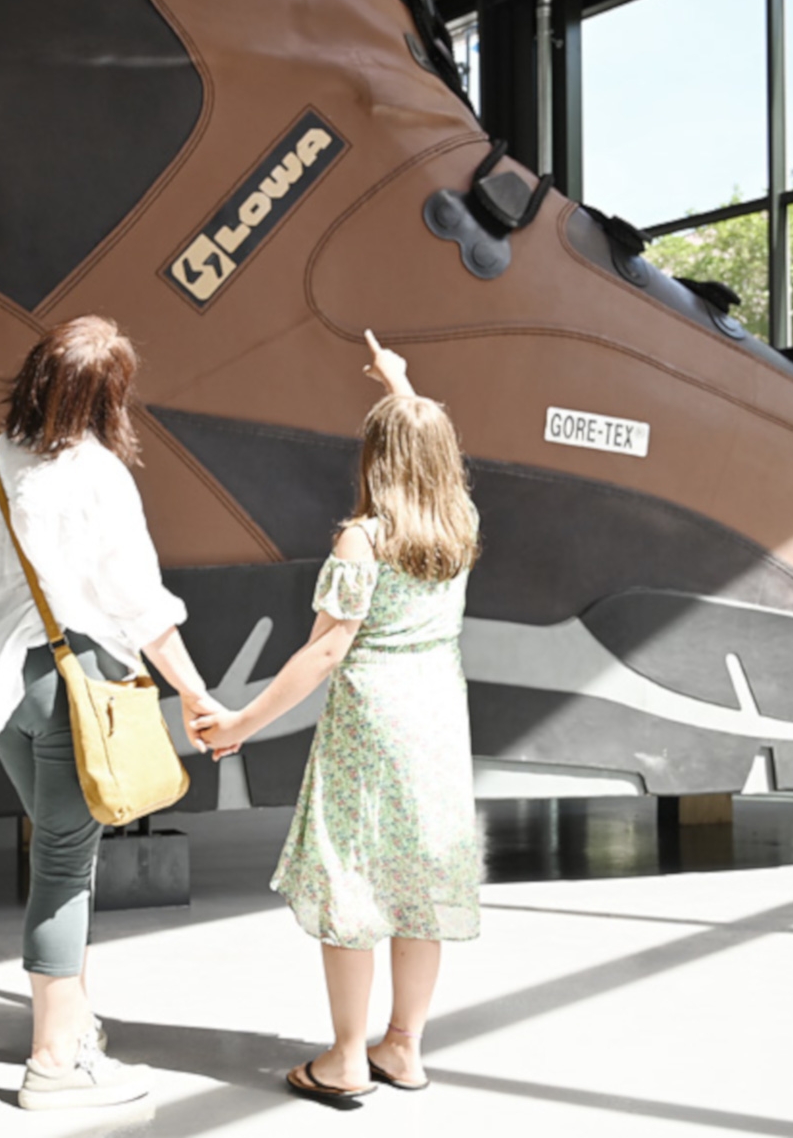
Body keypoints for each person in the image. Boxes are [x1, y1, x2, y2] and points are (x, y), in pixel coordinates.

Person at [0, 315, 225, 1112]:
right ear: (108, 397)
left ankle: (74, 1026)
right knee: (63, 866)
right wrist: (195, 693)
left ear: (34, 375)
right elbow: (141, 606)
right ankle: (54, 1061)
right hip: (70, 689)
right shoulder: (95, 474)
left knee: (63, 854)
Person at [192, 330, 482, 1106]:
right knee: (418, 880)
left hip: (372, 723)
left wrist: (241, 722)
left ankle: (348, 1057)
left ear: (374, 459)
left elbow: (324, 652)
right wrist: (399, 383)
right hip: (438, 720)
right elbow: (424, 445)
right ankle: (403, 1047)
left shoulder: (364, 540)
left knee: (353, 878)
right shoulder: (459, 525)